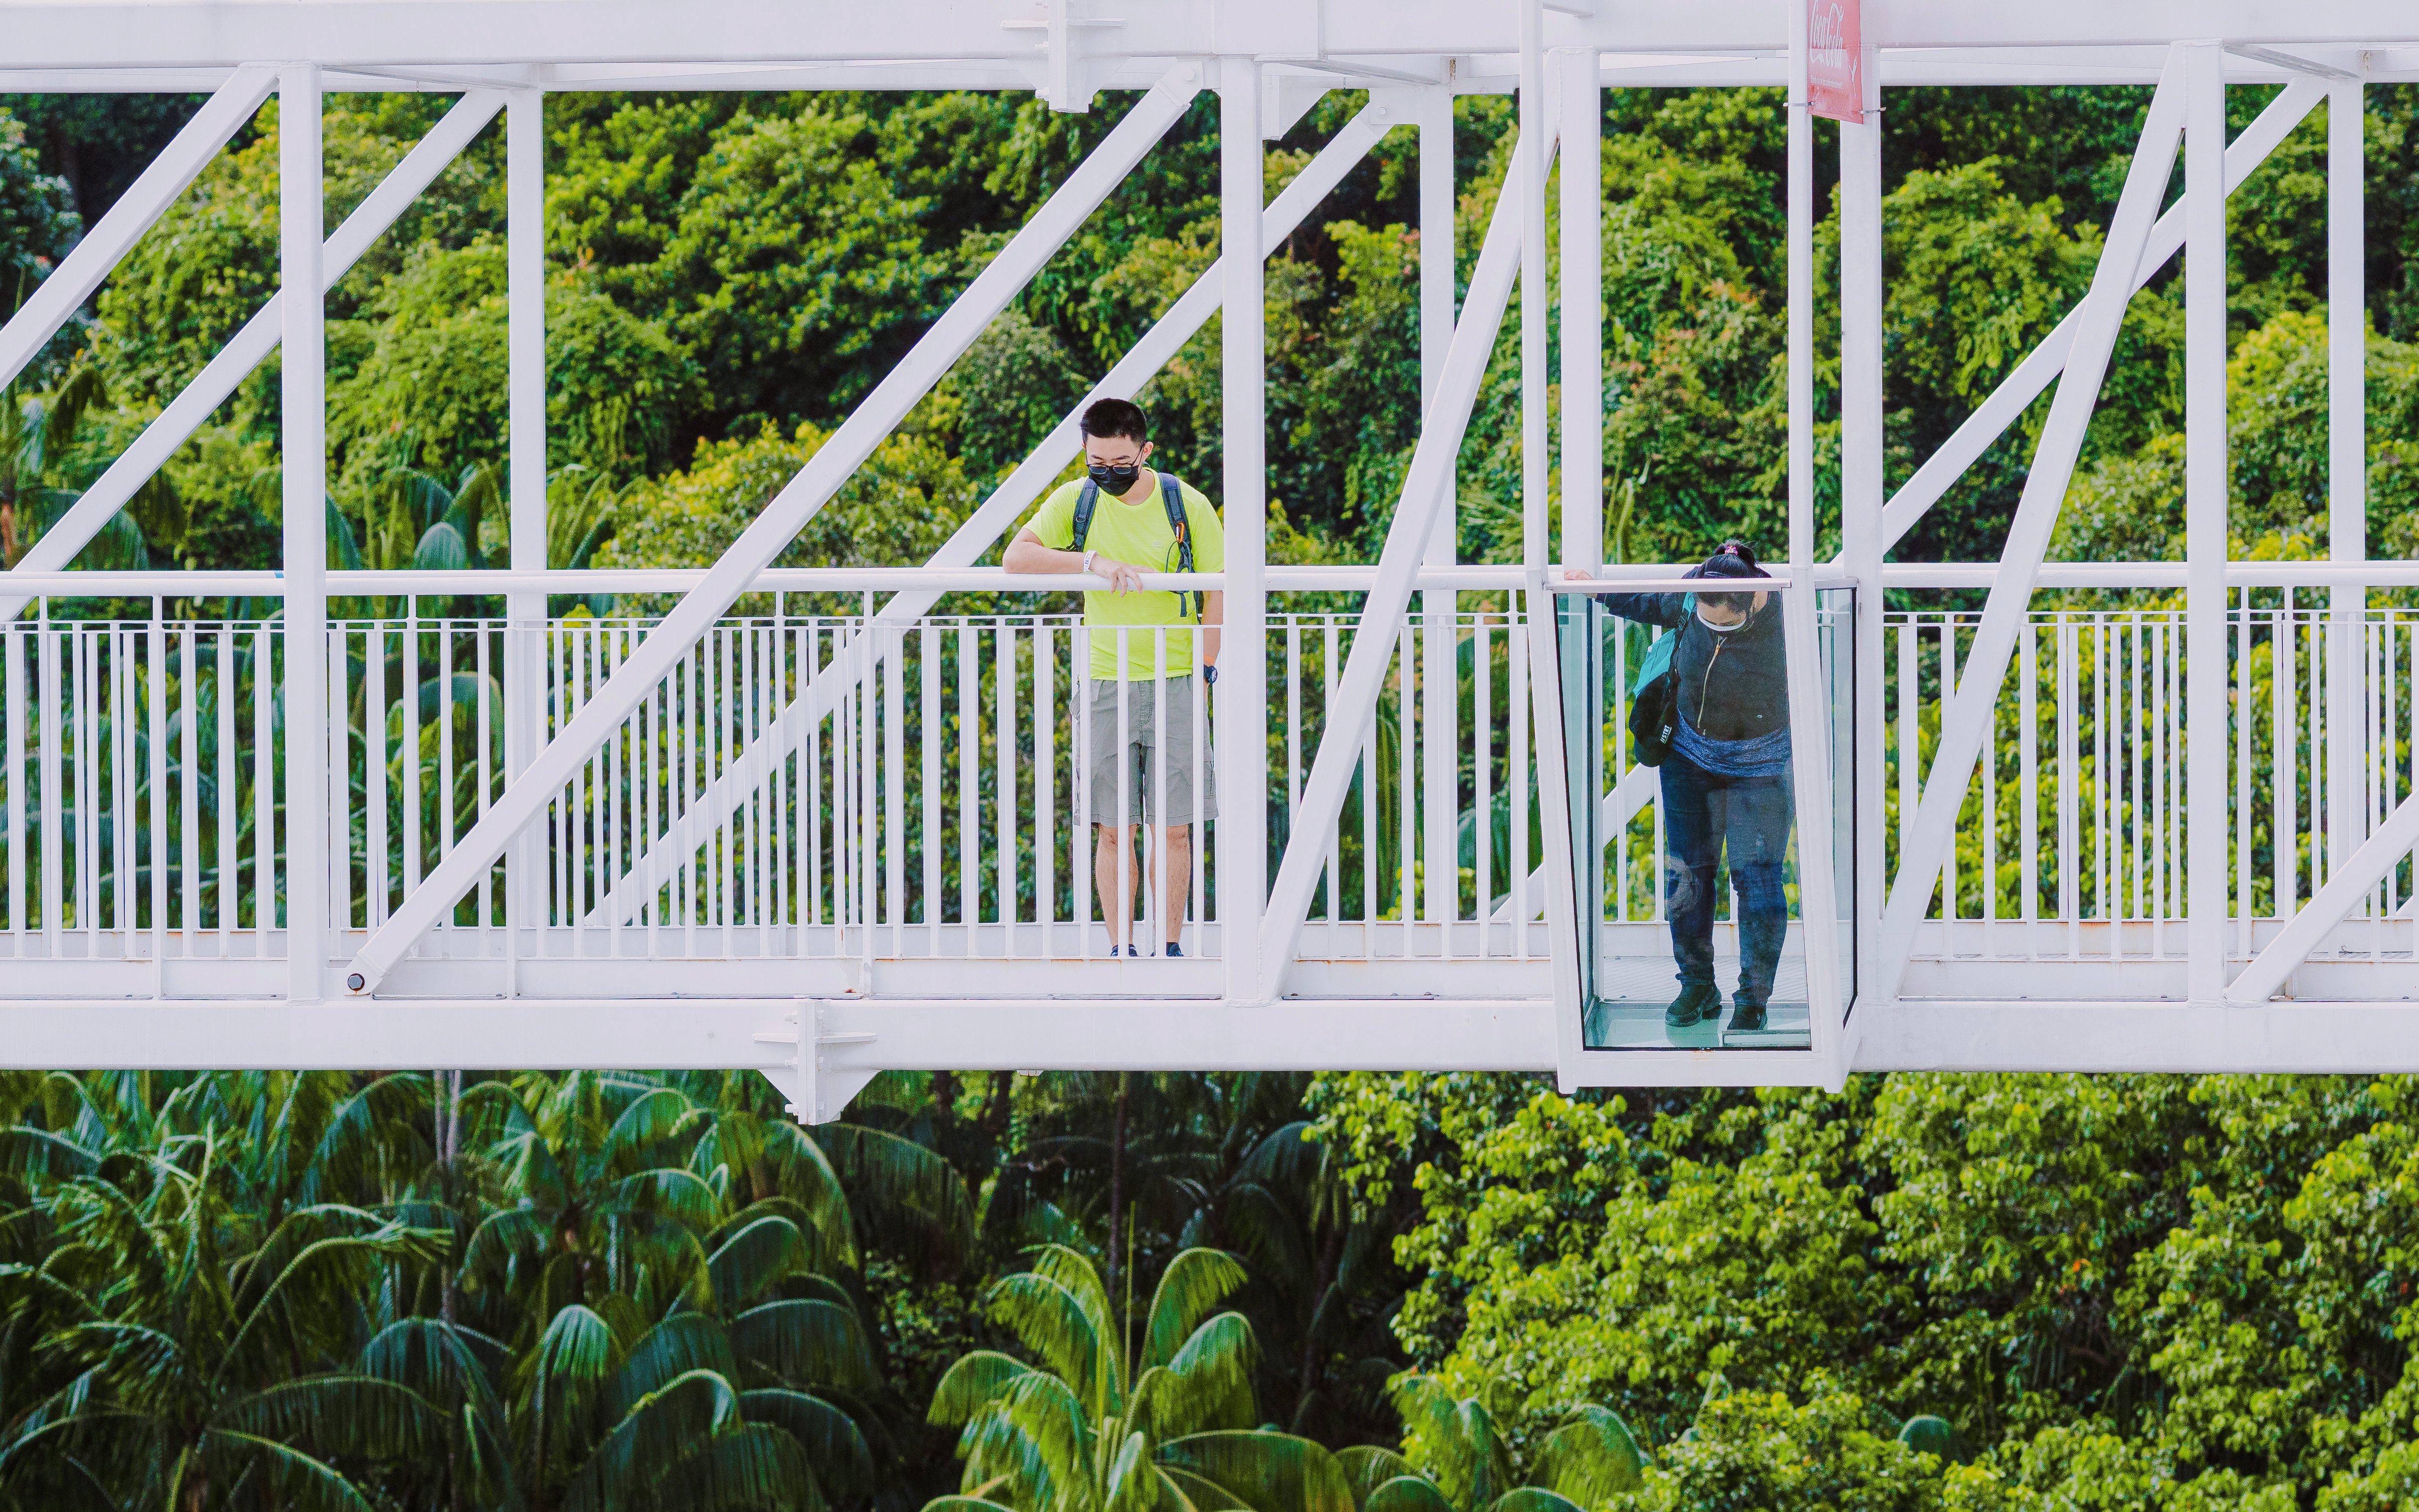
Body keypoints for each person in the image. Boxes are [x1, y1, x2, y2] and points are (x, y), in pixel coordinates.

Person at [1005, 398, 1225, 958]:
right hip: (1106, 679)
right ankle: (1120, 947)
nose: (1108, 471)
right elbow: (1016, 558)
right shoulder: (1077, 501)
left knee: (1175, 827)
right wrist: (1091, 562)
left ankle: (1169, 946)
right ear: (1085, 452)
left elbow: (1217, 591)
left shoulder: (1185, 504)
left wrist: (1205, 670)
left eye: (1120, 461)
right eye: (1097, 460)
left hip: (1176, 676)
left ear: (1144, 452)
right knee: (1110, 828)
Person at [1581, 542, 1790, 1032]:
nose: (1711, 628)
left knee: (1757, 885)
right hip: (1690, 758)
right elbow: (1639, 599)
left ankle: (1753, 998)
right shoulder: (1689, 600)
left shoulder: (1783, 618)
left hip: (1761, 766)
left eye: (1722, 624)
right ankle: (1697, 984)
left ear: (1750, 604)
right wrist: (1589, 587)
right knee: (1687, 877)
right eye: (1703, 620)